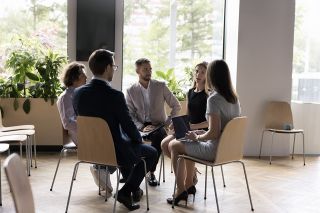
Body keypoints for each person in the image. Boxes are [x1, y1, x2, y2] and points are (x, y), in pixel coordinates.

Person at [73, 49, 157, 211]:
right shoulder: (114, 95)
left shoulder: (78, 94)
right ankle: (126, 192)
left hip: (89, 150)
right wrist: (139, 138)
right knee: (150, 152)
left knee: (127, 144)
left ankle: (134, 189)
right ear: (107, 68)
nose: (114, 69)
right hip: (113, 152)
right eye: (114, 66)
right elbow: (128, 126)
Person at [166, 60, 241, 205]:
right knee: (183, 143)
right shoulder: (234, 99)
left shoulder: (214, 99)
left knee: (175, 145)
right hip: (229, 150)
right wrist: (200, 133)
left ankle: (181, 191)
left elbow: (213, 134)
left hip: (214, 150)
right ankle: (188, 184)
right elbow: (220, 129)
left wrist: (198, 136)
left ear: (211, 76)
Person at [57, 62, 113, 197]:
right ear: (74, 77)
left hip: (89, 131)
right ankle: (99, 168)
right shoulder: (66, 97)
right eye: (83, 74)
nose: (86, 77)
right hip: (79, 134)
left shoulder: (80, 93)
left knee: (114, 142)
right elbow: (68, 123)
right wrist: (90, 125)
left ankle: (100, 168)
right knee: (111, 145)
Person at [125, 58, 181, 186]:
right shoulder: (130, 90)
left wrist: (168, 121)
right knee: (127, 138)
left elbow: (176, 105)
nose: (149, 72)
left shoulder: (160, 86)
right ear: (137, 71)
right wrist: (140, 127)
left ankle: (150, 172)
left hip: (159, 125)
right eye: (145, 69)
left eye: (150, 69)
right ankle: (131, 172)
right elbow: (130, 114)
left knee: (159, 136)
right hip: (141, 127)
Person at [161, 61, 208, 186]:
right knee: (164, 144)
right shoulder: (190, 92)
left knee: (173, 146)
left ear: (207, 76)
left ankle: (185, 182)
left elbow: (209, 123)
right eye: (197, 71)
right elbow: (188, 115)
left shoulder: (209, 95)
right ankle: (192, 171)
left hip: (200, 133)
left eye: (203, 72)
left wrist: (193, 127)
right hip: (188, 129)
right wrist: (177, 124)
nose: (198, 74)